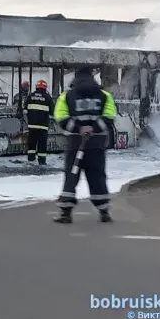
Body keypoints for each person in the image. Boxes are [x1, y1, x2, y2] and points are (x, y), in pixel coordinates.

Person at [53, 67, 117, 223]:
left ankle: (66, 214)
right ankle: (104, 212)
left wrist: (78, 128)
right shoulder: (104, 95)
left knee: (71, 176)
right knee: (97, 177)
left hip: (75, 145)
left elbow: (60, 117)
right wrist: (94, 128)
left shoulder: (66, 96)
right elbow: (110, 116)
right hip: (96, 145)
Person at [24, 79, 54, 165]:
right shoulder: (48, 97)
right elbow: (52, 112)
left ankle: (31, 159)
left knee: (32, 142)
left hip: (32, 125)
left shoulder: (30, 96)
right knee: (42, 143)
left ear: (36, 87)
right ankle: (42, 161)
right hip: (43, 126)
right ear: (45, 87)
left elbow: (25, 108)